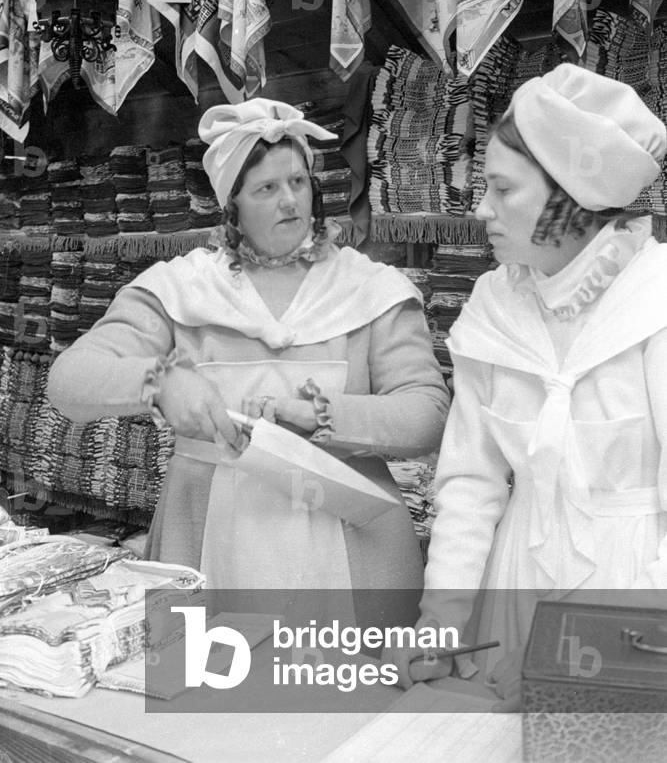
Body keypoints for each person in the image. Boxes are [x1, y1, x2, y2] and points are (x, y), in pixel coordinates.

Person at [47, 98, 448, 612]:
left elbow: (427, 414)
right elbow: (70, 380)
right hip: (209, 537)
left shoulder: (368, 288)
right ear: (232, 204)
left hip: (352, 543)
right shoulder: (183, 288)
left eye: (299, 182)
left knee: (348, 688)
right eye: (267, 188)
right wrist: (161, 379)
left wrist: (327, 415)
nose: (291, 202)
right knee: (209, 681)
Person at [385, 63, 667, 694]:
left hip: (634, 598)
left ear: (569, 196)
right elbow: (469, 484)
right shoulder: (493, 306)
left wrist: (635, 648)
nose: (481, 208)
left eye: (503, 190)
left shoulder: (656, 301)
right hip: (518, 588)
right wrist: (442, 624)